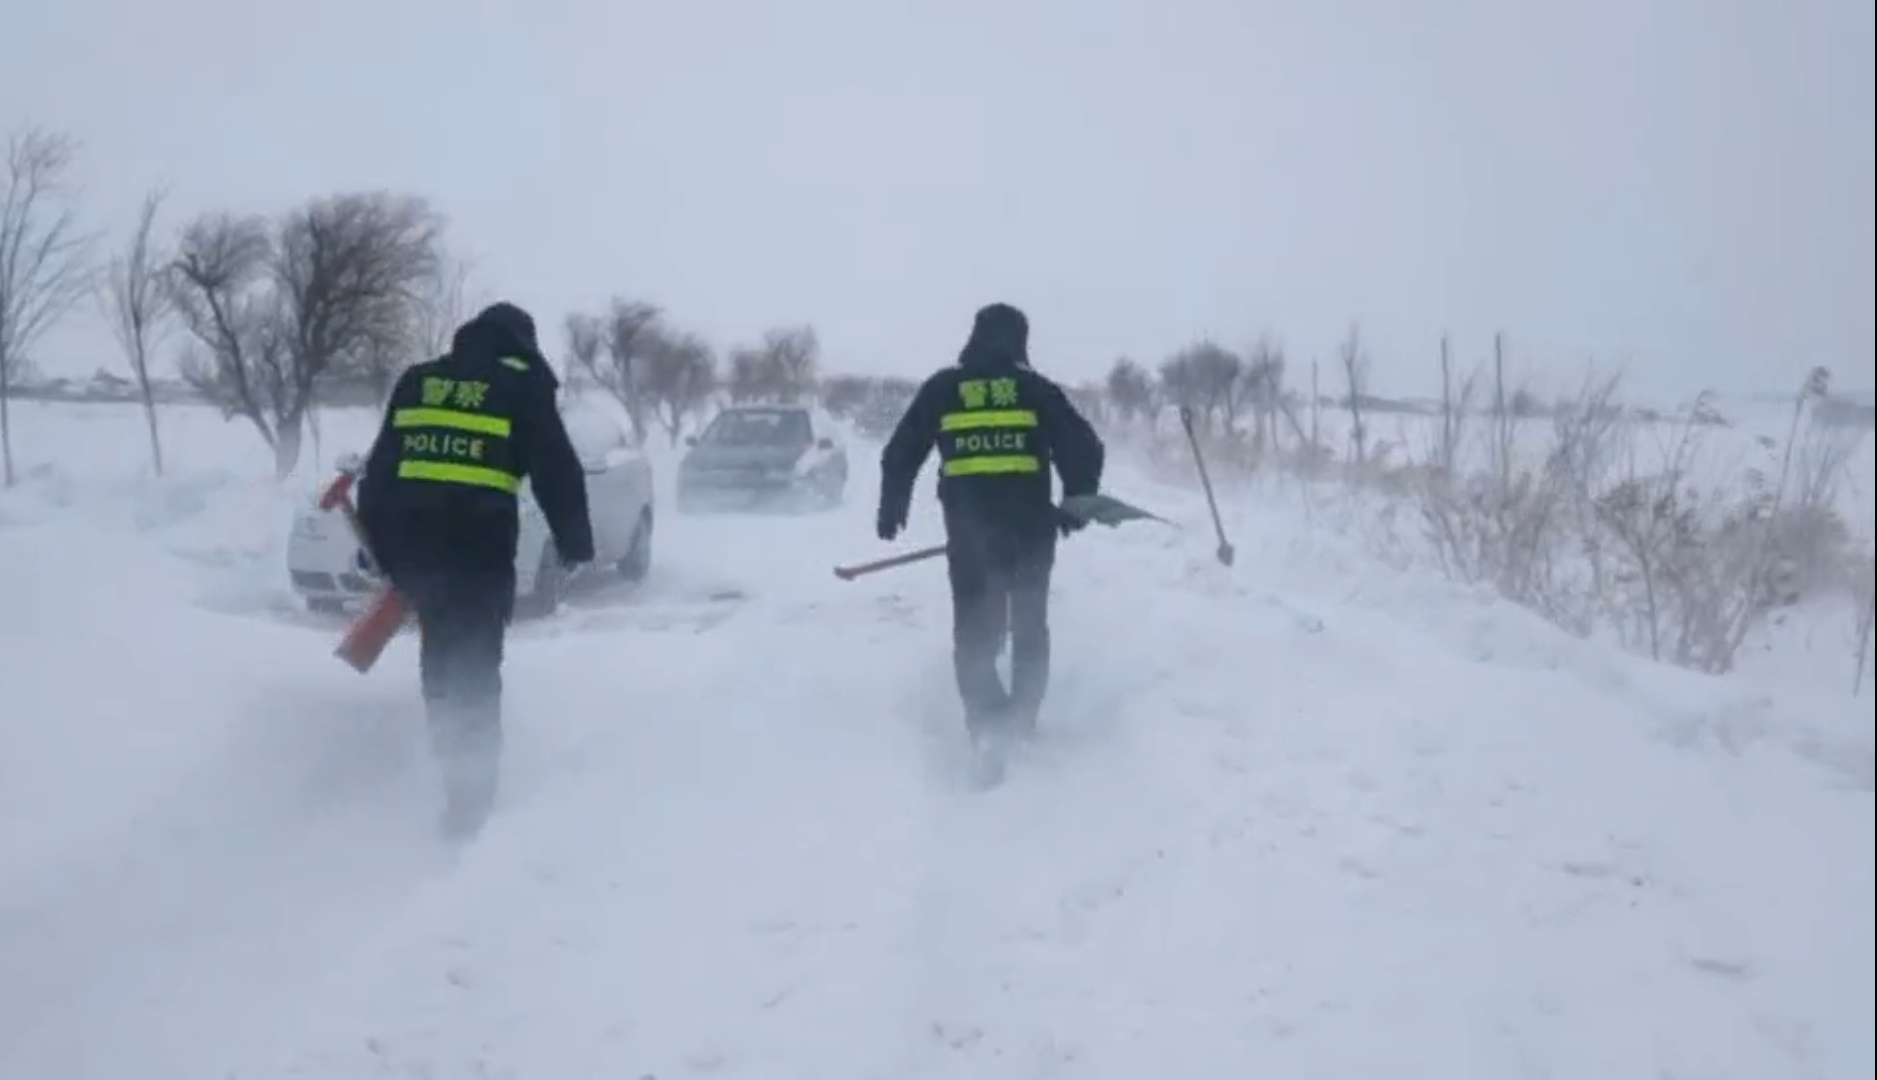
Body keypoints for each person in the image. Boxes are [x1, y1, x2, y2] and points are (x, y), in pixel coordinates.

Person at [357, 301, 594, 836]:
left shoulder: (419, 381)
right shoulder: (521, 387)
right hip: (477, 554)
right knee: (475, 670)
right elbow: (557, 470)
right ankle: (471, 802)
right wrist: (576, 545)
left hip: (416, 554)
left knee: (439, 660)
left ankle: (451, 770)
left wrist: (382, 551)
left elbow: (379, 473)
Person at [876, 302, 1105, 743]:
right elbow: (1086, 447)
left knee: (975, 628)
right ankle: (1022, 720)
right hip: (1031, 534)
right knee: (1029, 627)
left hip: (969, 536)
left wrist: (892, 505)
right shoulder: (1035, 390)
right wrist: (1077, 502)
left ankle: (986, 722)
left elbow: (900, 452)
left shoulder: (944, 389)